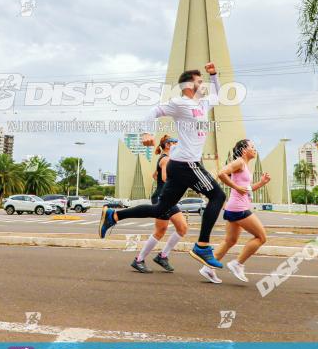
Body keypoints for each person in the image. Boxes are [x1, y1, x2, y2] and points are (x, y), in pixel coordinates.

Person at [99, 63, 227, 270]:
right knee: (218, 197)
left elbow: (218, 96)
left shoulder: (203, 104)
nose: (203, 85)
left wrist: (213, 75)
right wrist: (146, 133)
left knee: (160, 208)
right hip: (187, 163)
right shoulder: (180, 103)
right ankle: (202, 246)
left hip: (180, 165)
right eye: (199, 81)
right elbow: (153, 111)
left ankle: (114, 215)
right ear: (188, 85)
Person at [205, 139, 270, 283]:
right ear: (244, 150)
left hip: (235, 207)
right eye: (252, 147)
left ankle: (208, 268)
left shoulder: (244, 165)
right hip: (239, 208)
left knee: (230, 240)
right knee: (261, 237)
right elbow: (222, 173)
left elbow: (245, 189)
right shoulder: (239, 162)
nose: (255, 149)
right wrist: (235, 187)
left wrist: (261, 183)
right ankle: (237, 264)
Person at [129, 135, 187, 273]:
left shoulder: (166, 159)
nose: (177, 145)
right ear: (168, 145)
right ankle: (138, 260)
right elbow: (166, 178)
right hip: (163, 198)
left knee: (182, 228)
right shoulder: (166, 159)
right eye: (175, 142)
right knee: (161, 230)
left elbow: (155, 175)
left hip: (168, 197)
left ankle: (162, 256)